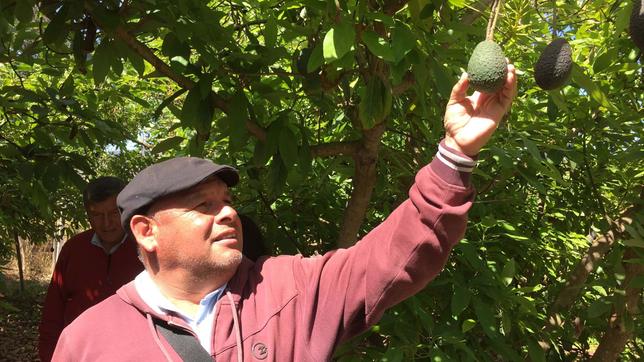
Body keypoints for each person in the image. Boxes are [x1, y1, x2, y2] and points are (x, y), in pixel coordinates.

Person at [51, 66, 517, 361]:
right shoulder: (89, 340)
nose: (229, 214)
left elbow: (390, 260)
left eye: (228, 202)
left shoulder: (290, 289)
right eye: (204, 206)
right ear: (146, 231)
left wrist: (455, 155)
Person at [38, 176, 144, 362]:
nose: (107, 224)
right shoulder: (73, 249)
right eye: (97, 215)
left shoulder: (146, 248)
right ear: (88, 215)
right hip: (78, 354)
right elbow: (53, 312)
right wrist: (49, 355)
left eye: (113, 214)